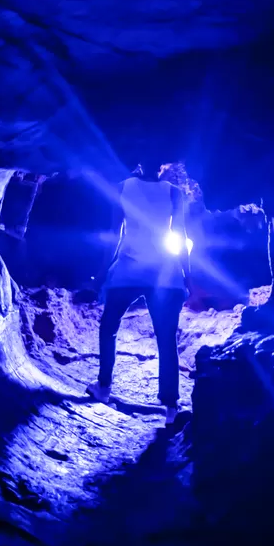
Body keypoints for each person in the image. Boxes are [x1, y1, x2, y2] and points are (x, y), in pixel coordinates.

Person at [86, 159, 191, 424]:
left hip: (128, 272)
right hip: (164, 275)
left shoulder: (123, 187)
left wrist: (101, 272)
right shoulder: (173, 192)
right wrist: (188, 276)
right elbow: (179, 235)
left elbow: (114, 234)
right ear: (163, 166)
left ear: (140, 163)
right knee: (166, 339)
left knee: (108, 326)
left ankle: (104, 387)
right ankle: (170, 407)